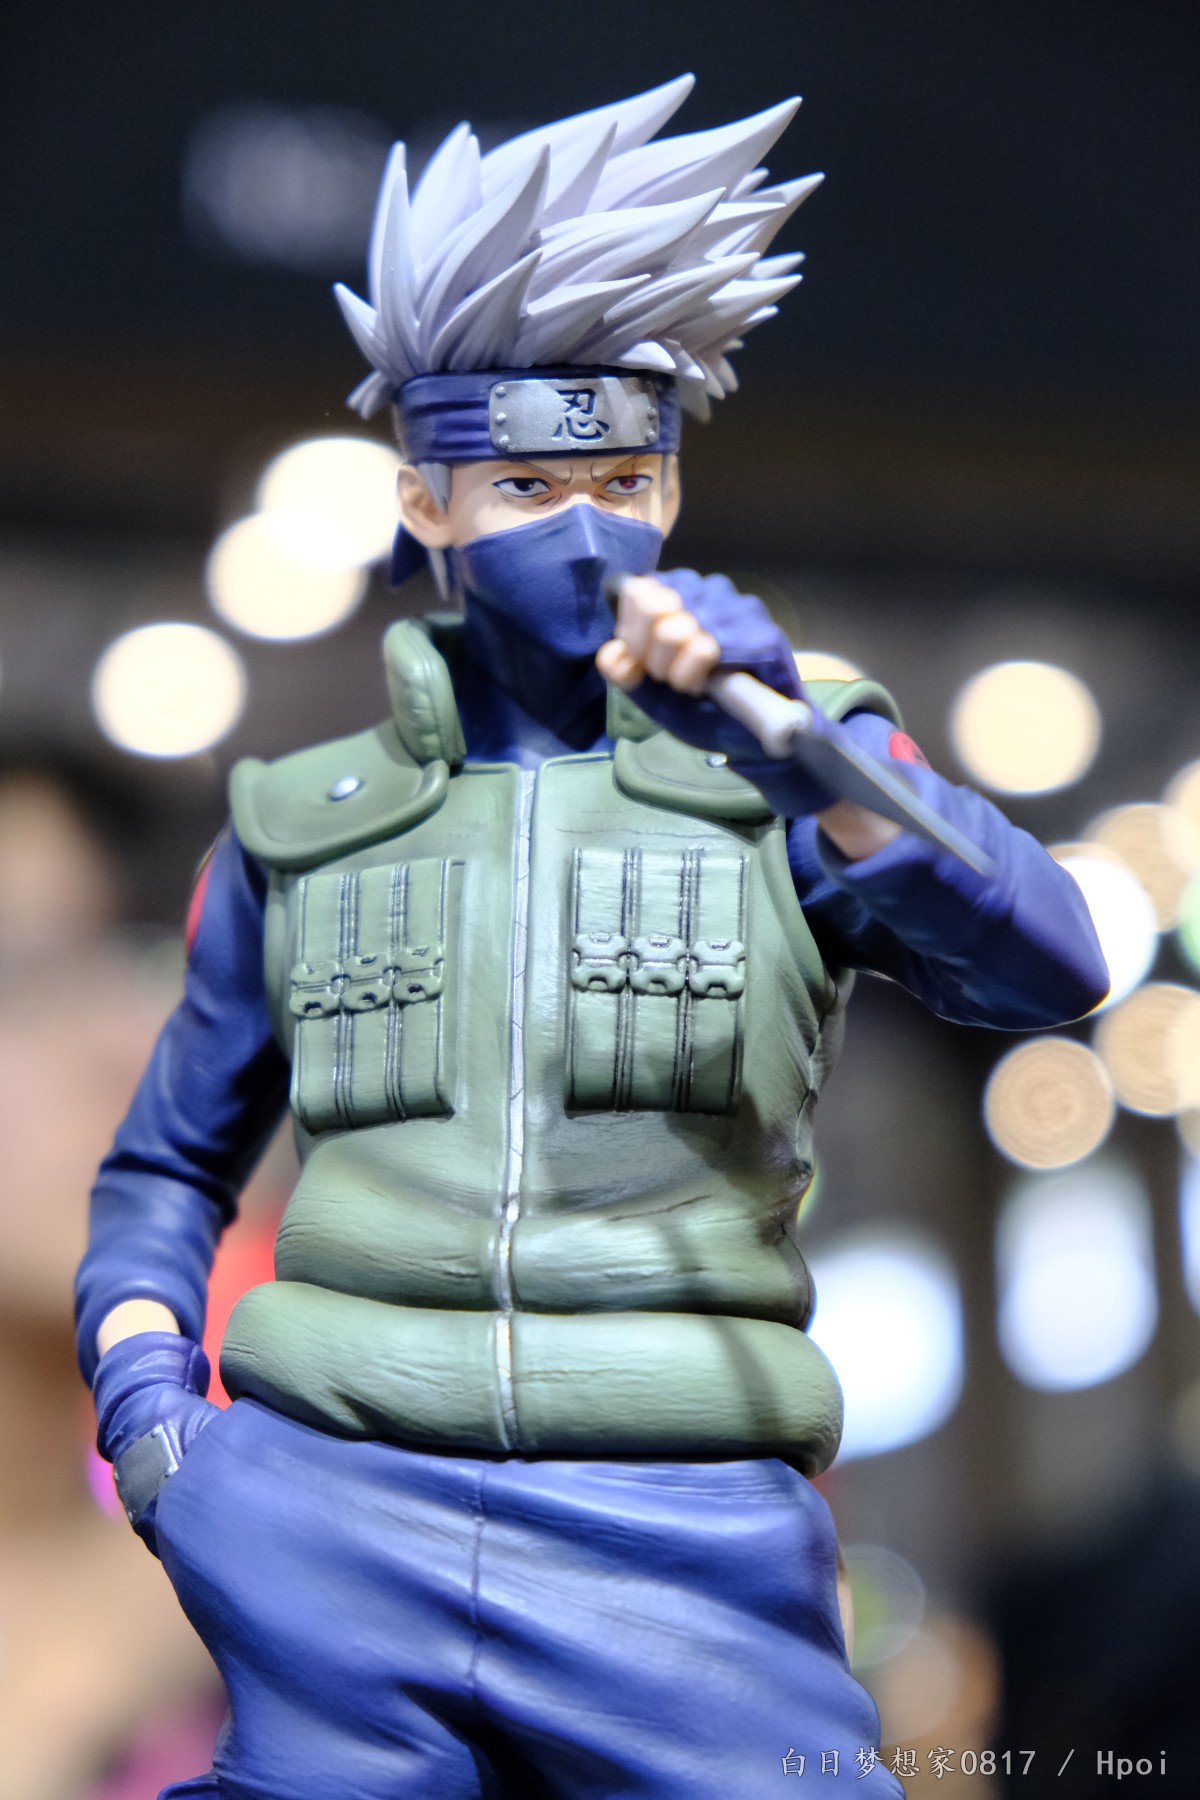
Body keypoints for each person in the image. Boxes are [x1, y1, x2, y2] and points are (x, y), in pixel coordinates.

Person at [76, 77, 1109, 1800]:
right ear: (428, 504)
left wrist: (797, 753)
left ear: (675, 487)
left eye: (624, 475)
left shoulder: (796, 760)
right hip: (333, 1511)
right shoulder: (304, 818)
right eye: (526, 482)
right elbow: (168, 1164)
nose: (584, 525)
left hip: (680, 1531)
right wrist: (157, 1428)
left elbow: (1055, 964)